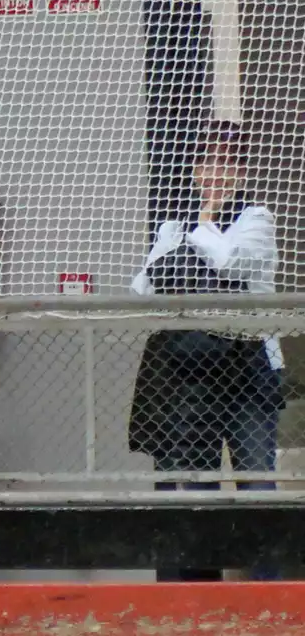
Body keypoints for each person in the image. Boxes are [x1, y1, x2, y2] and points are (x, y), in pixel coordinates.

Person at [127, 118, 283, 582]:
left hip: (249, 370)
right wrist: (193, 238)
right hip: (195, 373)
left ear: (243, 171)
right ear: (195, 168)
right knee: (196, 484)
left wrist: (208, 223)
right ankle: (199, 592)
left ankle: (269, 593)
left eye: (228, 161)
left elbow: (233, 260)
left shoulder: (256, 219)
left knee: (256, 478)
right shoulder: (173, 225)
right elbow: (145, 286)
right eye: (209, 160)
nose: (217, 170)